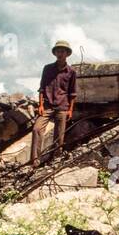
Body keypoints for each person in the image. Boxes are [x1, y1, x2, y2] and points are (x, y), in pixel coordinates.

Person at [29, 40, 77, 168]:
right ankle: (34, 161)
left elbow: (72, 92)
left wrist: (70, 110)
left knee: (59, 135)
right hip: (47, 106)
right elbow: (42, 88)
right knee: (36, 129)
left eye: (63, 51)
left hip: (63, 106)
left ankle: (55, 160)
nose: (60, 54)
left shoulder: (71, 72)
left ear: (67, 54)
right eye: (58, 51)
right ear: (55, 53)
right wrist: (40, 105)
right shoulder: (48, 68)